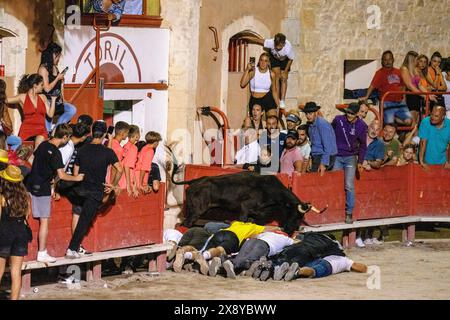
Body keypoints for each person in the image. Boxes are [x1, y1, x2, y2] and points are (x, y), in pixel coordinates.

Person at [26, 124, 84, 263]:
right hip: (43, 188)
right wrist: (77, 178)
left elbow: (33, 161)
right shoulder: (56, 152)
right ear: (64, 137)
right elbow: (62, 175)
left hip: (30, 185)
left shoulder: (43, 145)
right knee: (44, 221)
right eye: (68, 138)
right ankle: (42, 252)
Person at [65, 121, 123, 258]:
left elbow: (76, 172)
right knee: (84, 222)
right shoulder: (108, 152)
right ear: (104, 134)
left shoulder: (81, 150)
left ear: (92, 132)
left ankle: (73, 248)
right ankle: (72, 249)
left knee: (80, 219)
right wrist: (113, 185)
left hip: (80, 189)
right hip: (95, 191)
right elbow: (119, 169)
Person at [332, 103, 368, 224]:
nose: (349, 115)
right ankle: (334, 209)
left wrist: (360, 161)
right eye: (348, 112)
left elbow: (363, 146)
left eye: (352, 113)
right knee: (335, 183)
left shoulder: (362, 126)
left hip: (350, 157)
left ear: (357, 113)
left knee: (349, 185)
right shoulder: (338, 120)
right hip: (337, 155)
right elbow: (331, 133)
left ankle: (349, 213)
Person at [0, 165, 32, 300]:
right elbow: (27, 216)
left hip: (4, 233)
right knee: (16, 272)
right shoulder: (25, 197)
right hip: (20, 234)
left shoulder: (2, 198)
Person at [211, 231, 294, 279]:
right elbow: (296, 243)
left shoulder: (266, 233)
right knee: (249, 261)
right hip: (264, 246)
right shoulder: (286, 238)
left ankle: (222, 263)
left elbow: (253, 236)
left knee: (240, 258)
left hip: (251, 241)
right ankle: (230, 264)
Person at [361, 51, 413, 127]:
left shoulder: (398, 72)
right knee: (389, 123)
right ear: (382, 61)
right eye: (385, 60)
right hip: (387, 102)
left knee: (409, 121)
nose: (388, 62)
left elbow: (403, 86)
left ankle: (394, 118)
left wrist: (404, 99)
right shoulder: (379, 73)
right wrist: (366, 96)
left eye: (389, 59)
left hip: (399, 102)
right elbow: (372, 85)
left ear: (393, 60)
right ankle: (388, 119)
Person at [243, 33, 295, 109]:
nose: (277, 48)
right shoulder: (271, 43)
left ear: (283, 44)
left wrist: (285, 71)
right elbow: (258, 40)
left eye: (279, 48)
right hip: (274, 58)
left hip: (285, 60)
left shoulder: (288, 48)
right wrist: (245, 37)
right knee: (276, 76)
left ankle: (282, 100)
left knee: (284, 78)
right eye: (276, 47)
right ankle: (277, 97)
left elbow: (290, 59)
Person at [6, 74, 56, 149]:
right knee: (20, 151)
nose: (43, 87)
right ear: (35, 85)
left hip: (41, 130)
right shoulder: (22, 97)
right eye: (41, 85)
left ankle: (36, 158)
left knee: (39, 142)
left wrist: (53, 99)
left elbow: (50, 114)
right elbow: (6, 100)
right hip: (26, 130)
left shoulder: (43, 97)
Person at [38, 42, 77, 133]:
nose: (59, 59)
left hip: (58, 100)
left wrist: (63, 99)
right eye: (58, 56)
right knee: (47, 127)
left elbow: (59, 86)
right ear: (52, 55)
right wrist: (57, 78)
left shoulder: (55, 67)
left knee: (72, 109)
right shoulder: (43, 69)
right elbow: (46, 88)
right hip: (48, 101)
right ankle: (48, 133)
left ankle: (56, 129)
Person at [400, 51, 437, 124]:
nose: (417, 62)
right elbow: (409, 86)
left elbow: (420, 85)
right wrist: (424, 95)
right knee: (411, 124)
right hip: (408, 97)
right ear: (412, 59)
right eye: (417, 59)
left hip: (416, 96)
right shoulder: (404, 69)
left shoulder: (414, 70)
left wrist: (428, 94)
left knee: (416, 123)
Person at [302, 102, 337, 175]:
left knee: (313, 180)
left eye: (310, 113)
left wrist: (323, 163)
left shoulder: (322, 125)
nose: (308, 116)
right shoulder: (310, 125)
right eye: (306, 114)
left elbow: (328, 146)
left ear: (316, 112)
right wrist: (311, 158)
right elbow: (313, 144)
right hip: (317, 156)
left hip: (324, 156)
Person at [284, 255, 367, 281]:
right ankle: (298, 271)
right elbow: (361, 268)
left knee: (308, 266)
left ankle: (287, 270)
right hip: (328, 266)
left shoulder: (328, 252)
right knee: (314, 271)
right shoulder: (345, 259)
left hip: (320, 258)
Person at [121, 125, 140, 197]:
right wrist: (130, 185)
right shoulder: (133, 148)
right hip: (126, 180)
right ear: (137, 135)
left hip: (122, 178)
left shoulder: (126, 146)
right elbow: (127, 166)